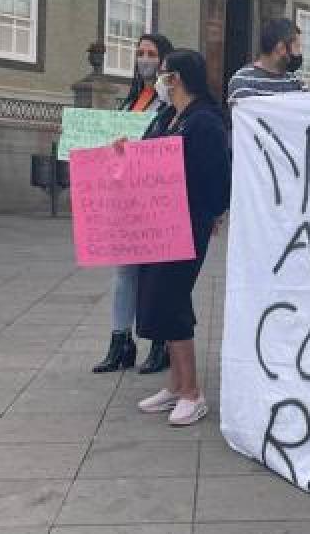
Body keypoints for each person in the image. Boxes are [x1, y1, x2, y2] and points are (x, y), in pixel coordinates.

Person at [135, 50, 231, 425]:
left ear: (177, 78)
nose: (159, 79)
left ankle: (192, 391)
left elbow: (217, 176)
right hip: (157, 222)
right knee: (158, 298)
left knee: (172, 299)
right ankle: (175, 386)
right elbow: (146, 154)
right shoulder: (167, 117)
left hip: (186, 223)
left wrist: (211, 214)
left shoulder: (204, 121)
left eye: (164, 74)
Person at [93, 33, 175, 375]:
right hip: (126, 200)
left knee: (158, 276)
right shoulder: (128, 104)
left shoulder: (169, 104)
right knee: (124, 273)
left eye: (151, 54)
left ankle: (161, 343)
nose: (144, 59)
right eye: (140, 53)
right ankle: (120, 341)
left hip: (157, 200)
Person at [226, 18, 305, 106]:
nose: (299, 53)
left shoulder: (296, 83)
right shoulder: (243, 83)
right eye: (297, 47)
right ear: (281, 48)